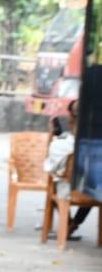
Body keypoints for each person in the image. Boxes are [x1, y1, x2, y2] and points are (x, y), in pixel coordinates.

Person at [44, 99, 90, 239]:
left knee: (57, 184)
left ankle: (68, 223)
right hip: (91, 194)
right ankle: (74, 223)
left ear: (71, 118)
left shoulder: (60, 145)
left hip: (67, 192)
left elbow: (50, 168)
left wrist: (52, 135)